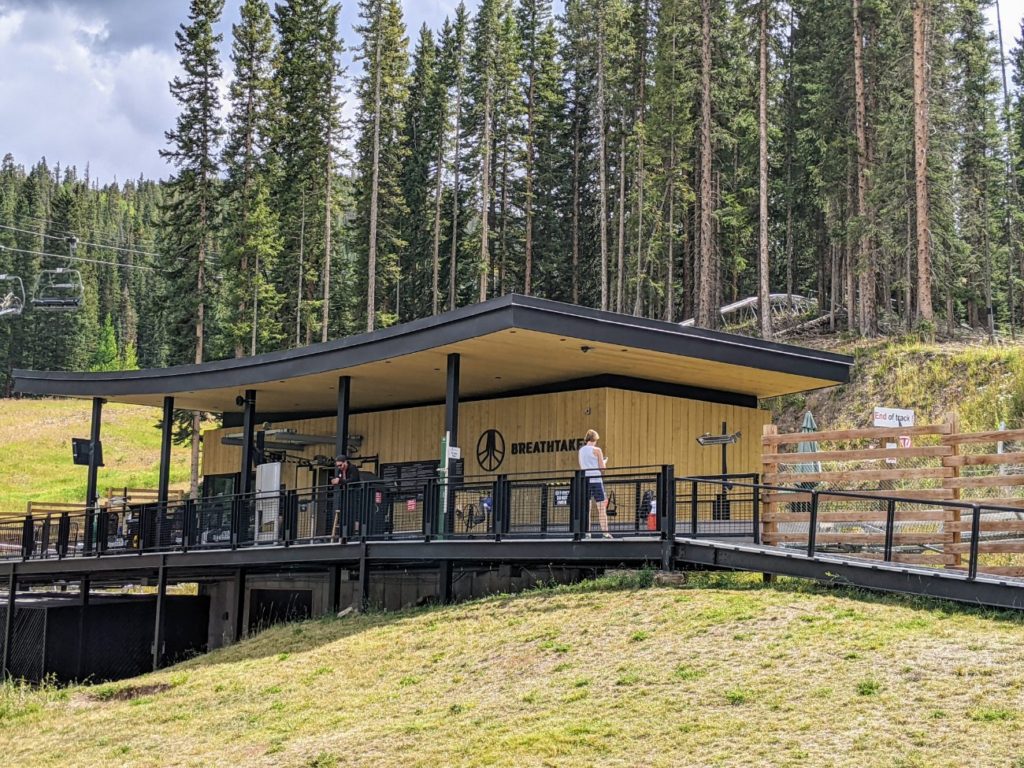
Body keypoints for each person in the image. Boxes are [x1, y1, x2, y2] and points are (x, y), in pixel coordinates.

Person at [578, 429, 612, 538]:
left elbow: (582, 466)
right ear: (595, 439)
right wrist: (604, 461)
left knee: (587, 508)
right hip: (596, 480)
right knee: (601, 508)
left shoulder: (581, 450)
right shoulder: (597, 450)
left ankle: (587, 532)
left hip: (585, 480)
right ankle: (605, 533)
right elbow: (602, 468)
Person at [329, 455, 362, 538]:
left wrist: (340, 481)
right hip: (344, 494)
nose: (339, 467)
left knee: (353, 514)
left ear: (345, 462)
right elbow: (338, 478)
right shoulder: (340, 471)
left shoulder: (353, 468)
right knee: (344, 513)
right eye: (337, 466)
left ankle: (351, 534)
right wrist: (334, 481)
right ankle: (343, 534)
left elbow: (353, 480)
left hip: (354, 494)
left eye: (340, 465)